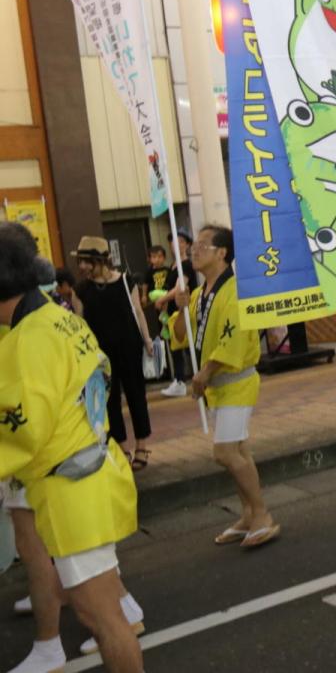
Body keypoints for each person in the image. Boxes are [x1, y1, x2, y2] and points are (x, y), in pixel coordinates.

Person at [0, 222, 143, 673]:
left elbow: (23, 428)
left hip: (71, 486)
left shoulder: (30, 338)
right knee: (102, 612)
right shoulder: (57, 315)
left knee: (102, 618)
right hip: (87, 470)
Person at [172, 225, 279, 549]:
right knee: (239, 450)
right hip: (218, 386)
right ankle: (248, 513)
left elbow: (232, 341)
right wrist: (179, 308)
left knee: (225, 452)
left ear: (222, 253)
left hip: (236, 382)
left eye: (203, 245)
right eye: (195, 245)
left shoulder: (235, 291)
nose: (194, 250)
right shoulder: (198, 294)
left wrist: (204, 374)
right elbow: (180, 336)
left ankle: (262, 514)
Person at [72, 236, 154, 471]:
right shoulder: (80, 291)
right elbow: (79, 326)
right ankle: (122, 449)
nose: (82, 267)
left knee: (137, 395)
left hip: (129, 347)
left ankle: (142, 445)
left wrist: (147, 339)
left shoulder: (128, 282)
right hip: (100, 355)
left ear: (101, 260)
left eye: (87, 262)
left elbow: (138, 312)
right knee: (109, 402)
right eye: (81, 262)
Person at [158, 231, 197, 397]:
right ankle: (180, 381)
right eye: (174, 241)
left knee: (189, 346)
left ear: (187, 245)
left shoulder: (186, 265)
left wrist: (162, 299)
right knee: (177, 347)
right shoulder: (173, 265)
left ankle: (198, 377)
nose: (178, 244)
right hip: (174, 312)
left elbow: (180, 287)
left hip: (186, 310)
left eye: (182, 241)